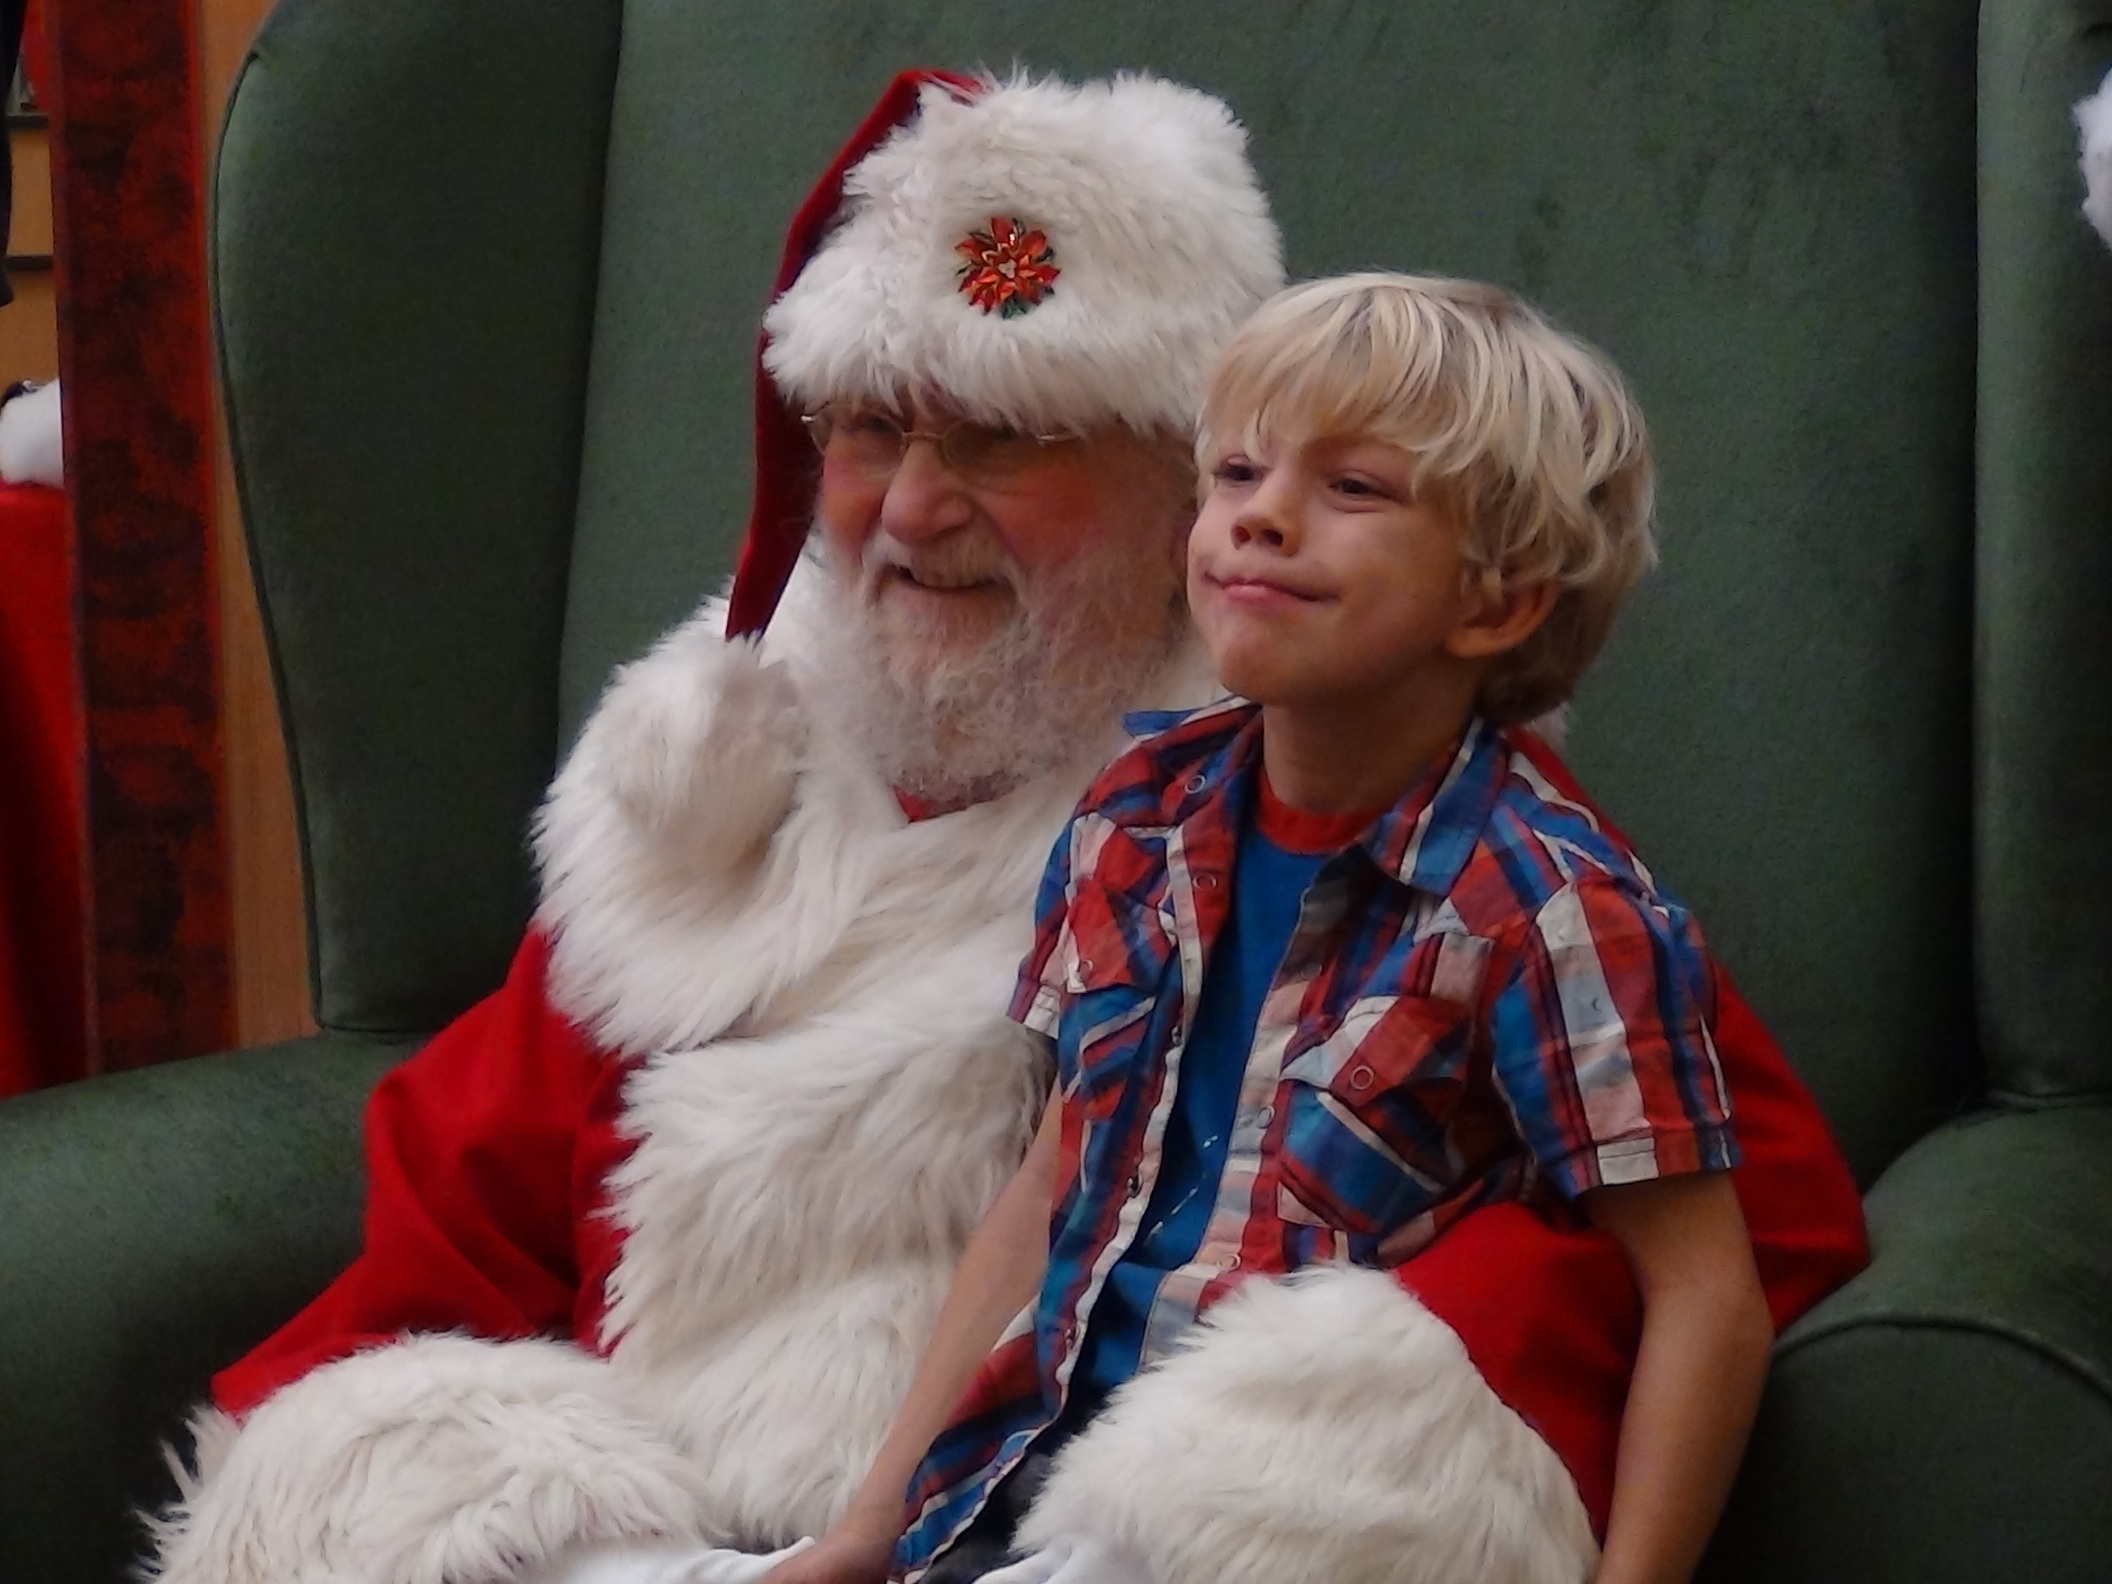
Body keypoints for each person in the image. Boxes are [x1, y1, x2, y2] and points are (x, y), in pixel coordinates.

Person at [143, 69, 1282, 1584]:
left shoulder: (1333, 814)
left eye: (1000, 436)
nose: (910, 510)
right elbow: (455, 1240)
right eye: (870, 429)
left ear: (1183, 476)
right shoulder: (706, 790)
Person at [773, 275, 1856, 1584]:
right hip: (1027, 1481)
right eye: (1236, 473)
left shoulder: (1554, 906)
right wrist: (869, 1527)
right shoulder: (1137, 817)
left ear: (1498, 602)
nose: (1260, 518)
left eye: (1352, 489)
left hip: (1280, 1522)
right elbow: (1051, 1184)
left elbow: (1704, 1297)